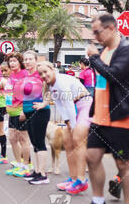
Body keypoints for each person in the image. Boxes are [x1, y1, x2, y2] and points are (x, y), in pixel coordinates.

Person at [76, 13, 129, 204]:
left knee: (123, 164)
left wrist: (94, 58)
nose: (95, 36)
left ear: (111, 28)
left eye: (97, 32)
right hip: (99, 118)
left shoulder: (125, 50)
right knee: (91, 157)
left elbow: (114, 75)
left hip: (120, 117)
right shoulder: (105, 50)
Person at [37, 61, 92, 194]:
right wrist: (67, 121)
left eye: (46, 72)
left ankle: (81, 180)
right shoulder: (51, 86)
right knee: (67, 141)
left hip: (84, 104)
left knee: (77, 139)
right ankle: (73, 178)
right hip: (73, 108)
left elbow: (67, 104)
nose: (44, 75)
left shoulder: (61, 81)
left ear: (52, 69)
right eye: (41, 74)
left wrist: (72, 125)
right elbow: (60, 105)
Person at [22, 51, 50, 184]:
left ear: (35, 60)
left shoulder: (40, 74)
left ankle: (43, 175)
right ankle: (37, 171)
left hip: (40, 112)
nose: (27, 61)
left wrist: (45, 103)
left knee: (39, 142)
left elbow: (51, 88)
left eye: (30, 59)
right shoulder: (26, 75)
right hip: (28, 111)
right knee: (34, 142)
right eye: (25, 59)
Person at [4, 53, 31, 177]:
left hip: (21, 110)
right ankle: (19, 164)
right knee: (12, 138)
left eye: (14, 61)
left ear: (20, 62)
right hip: (11, 111)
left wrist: (24, 110)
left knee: (23, 139)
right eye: (10, 61)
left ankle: (26, 165)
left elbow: (29, 94)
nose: (12, 63)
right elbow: (9, 93)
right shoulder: (11, 75)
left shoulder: (25, 75)